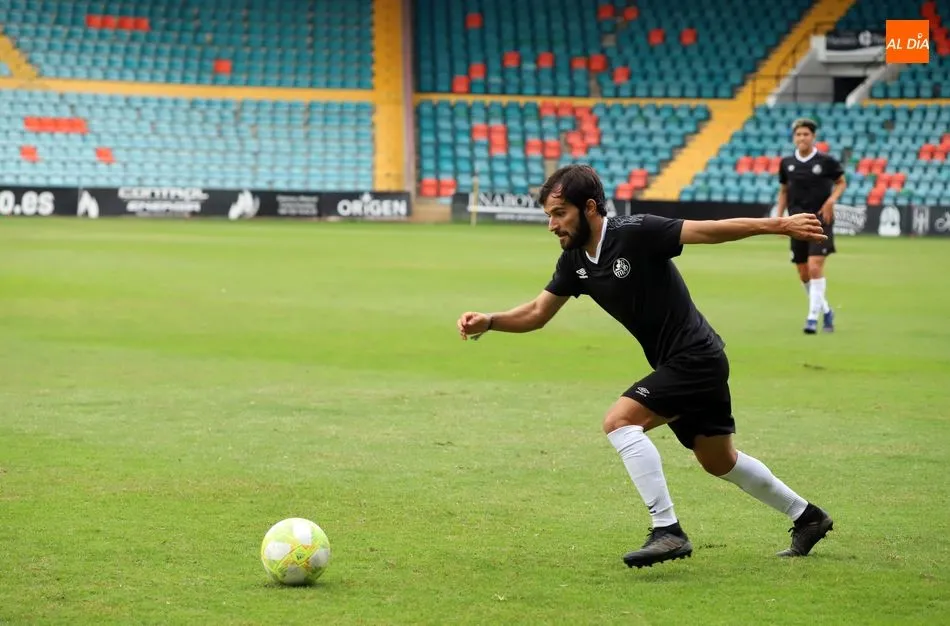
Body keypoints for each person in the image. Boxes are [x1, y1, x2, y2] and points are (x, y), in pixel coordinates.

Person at [456, 164, 834, 569]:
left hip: (696, 357)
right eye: (549, 215)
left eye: (559, 213)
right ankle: (808, 517)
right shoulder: (574, 260)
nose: (552, 225)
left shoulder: (635, 232)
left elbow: (709, 230)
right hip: (686, 362)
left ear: (589, 208)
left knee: (620, 422)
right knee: (718, 461)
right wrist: (491, 321)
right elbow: (536, 313)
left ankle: (667, 530)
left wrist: (780, 225)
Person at [776, 118, 847, 334]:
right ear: (794, 137)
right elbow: (784, 191)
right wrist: (779, 218)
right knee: (803, 271)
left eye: (806, 134)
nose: (802, 138)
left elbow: (841, 182)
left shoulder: (826, 161)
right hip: (796, 222)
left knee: (815, 266)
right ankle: (826, 311)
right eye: (798, 134)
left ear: (813, 137)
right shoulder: (786, 163)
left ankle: (811, 318)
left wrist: (831, 200)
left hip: (820, 220)